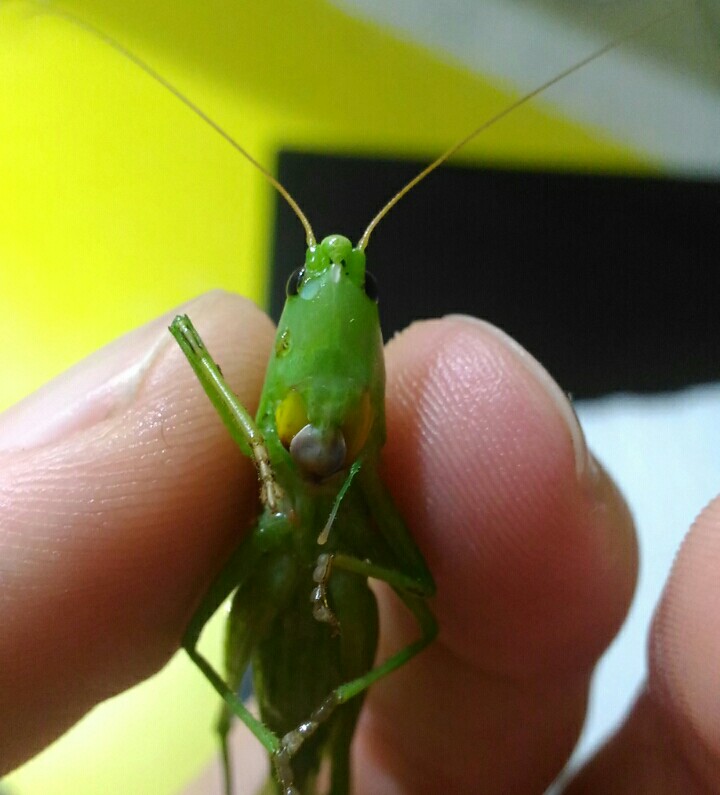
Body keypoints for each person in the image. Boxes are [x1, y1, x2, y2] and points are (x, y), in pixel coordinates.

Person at [0, 291, 717, 794]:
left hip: (344, 610)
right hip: (269, 577)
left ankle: (318, 731)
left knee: (340, 756)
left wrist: (343, 568)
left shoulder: (368, 451)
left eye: (364, 288)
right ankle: (258, 747)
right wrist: (260, 450)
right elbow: (187, 339)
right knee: (220, 710)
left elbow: (425, 602)